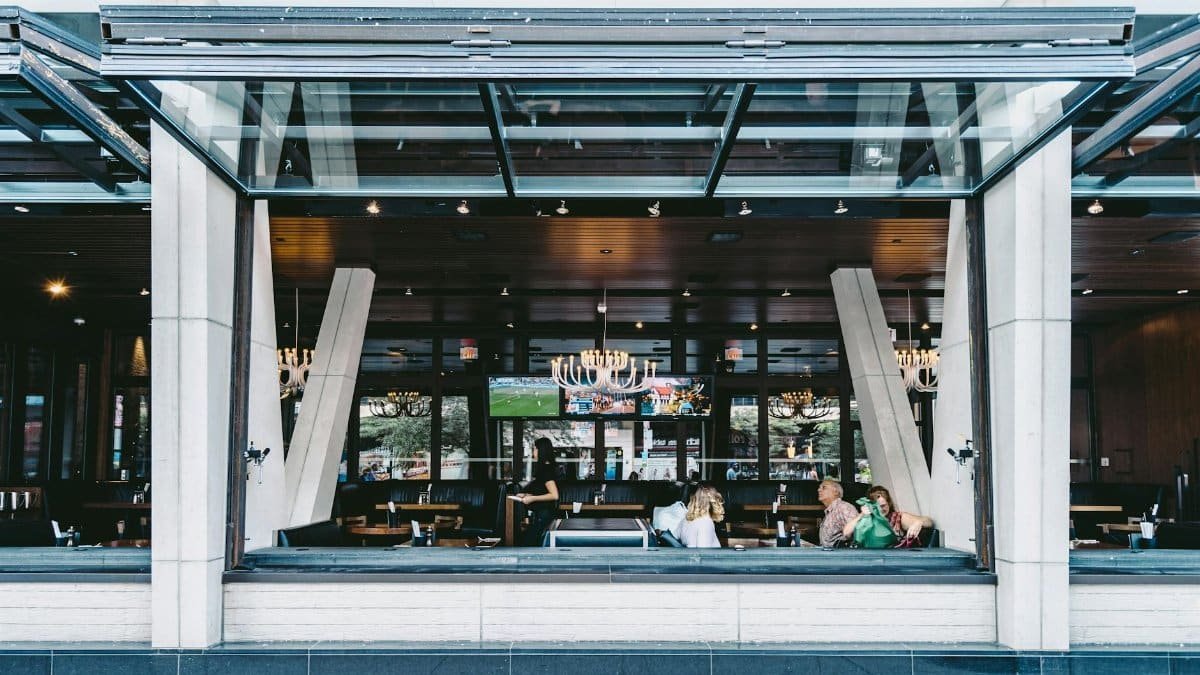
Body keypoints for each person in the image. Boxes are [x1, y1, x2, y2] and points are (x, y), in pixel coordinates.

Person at [842, 485, 934, 548]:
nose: (880, 509)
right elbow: (846, 533)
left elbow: (929, 521)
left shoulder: (898, 518)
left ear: (889, 504)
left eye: (883, 506)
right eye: (876, 506)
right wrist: (862, 515)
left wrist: (919, 522)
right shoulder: (866, 519)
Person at [514, 437, 560, 546]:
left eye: (535, 448)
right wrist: (527, 495)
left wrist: (532, 498)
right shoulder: (545, 468)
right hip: (542, 513)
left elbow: (554, 495)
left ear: (541, 450)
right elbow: (542, 490)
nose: (534, 451)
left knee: (529, 544)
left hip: (544, 514)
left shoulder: (546, 470)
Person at [816, 479, 858, 548]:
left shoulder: (844, 508)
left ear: (836, 492)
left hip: (841, 556)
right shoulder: (830, 511)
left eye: (824, 487)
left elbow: (856, 532)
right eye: (819, 488)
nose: (819, 490)